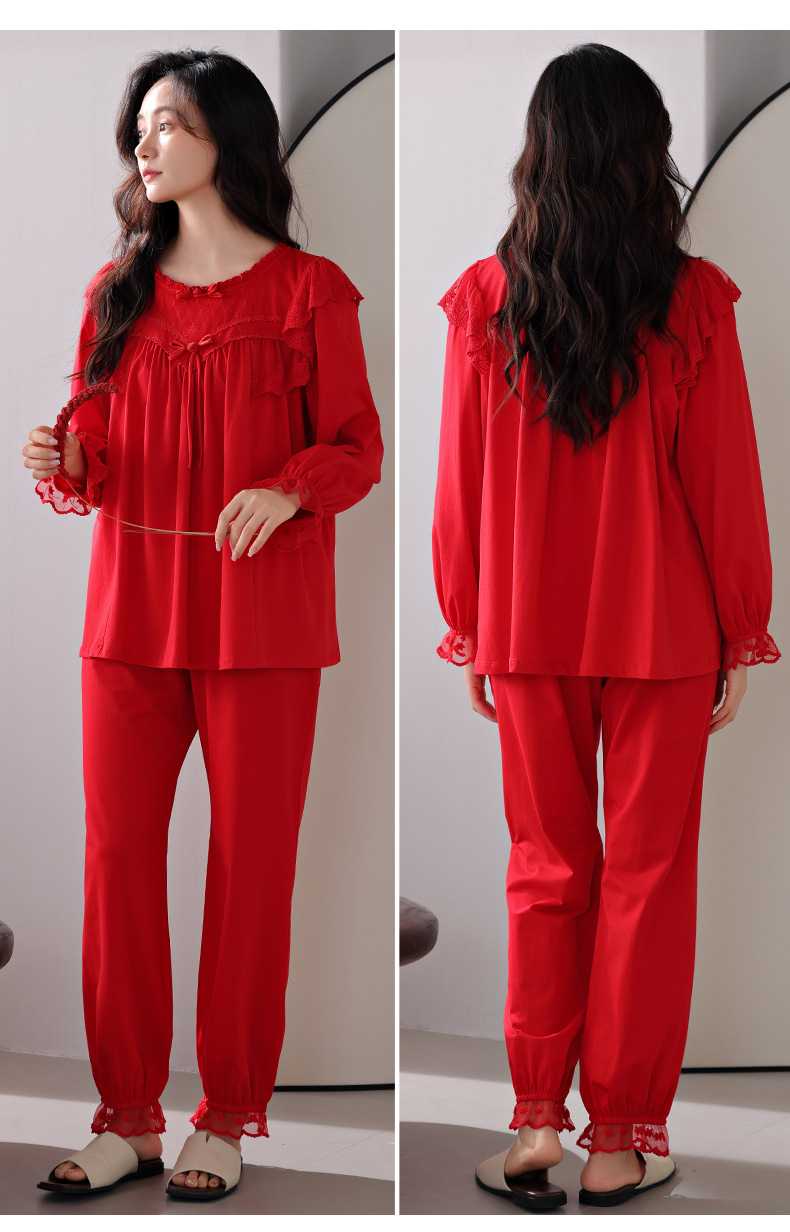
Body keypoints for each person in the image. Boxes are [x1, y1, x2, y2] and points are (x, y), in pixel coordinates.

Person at [23, 47, 383, 1201]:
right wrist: (64, 455)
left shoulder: (310, 290)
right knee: (118, 863)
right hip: (129, 616)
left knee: (250, 868)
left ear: (230, 136)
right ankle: (126, 1114)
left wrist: (289, 487)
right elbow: (99, 453)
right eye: (140, 125)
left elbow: (357, 446)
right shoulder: (116, 292)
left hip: (264, 623)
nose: (146, 142)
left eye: (170, 122)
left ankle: (225, 1116)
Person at [432, 43, 779, 1211]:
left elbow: (459, 485)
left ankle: (537, 1122)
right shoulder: (692, 300)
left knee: (545, 870)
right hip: (663, 629)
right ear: (647, 151)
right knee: (646, 878)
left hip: (527, 626)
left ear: (538, 150)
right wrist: (738, 628)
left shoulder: (483, 300)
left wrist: (471, 621)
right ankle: (620, 1138)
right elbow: (723, 480)